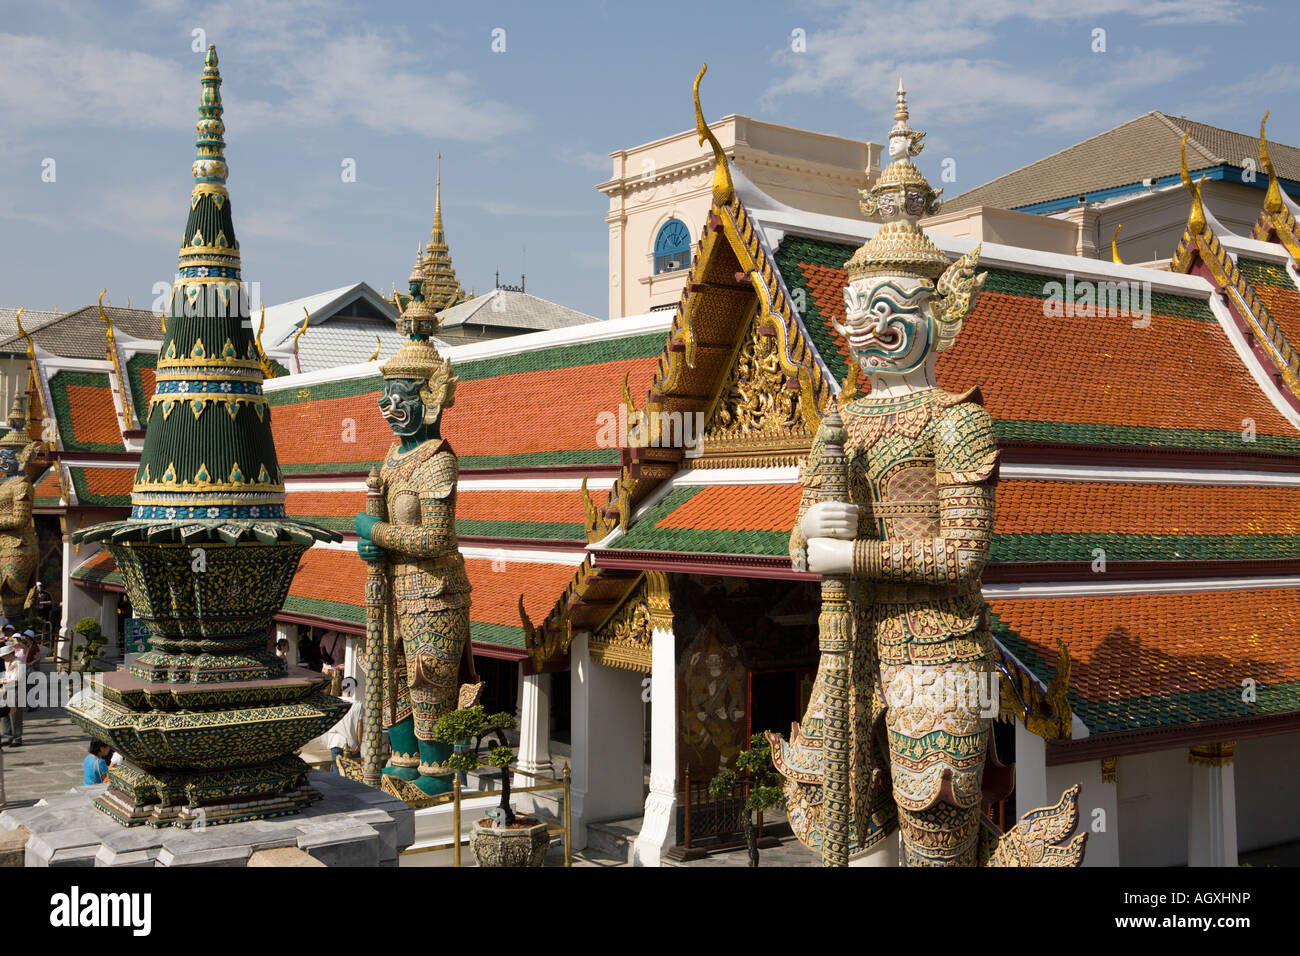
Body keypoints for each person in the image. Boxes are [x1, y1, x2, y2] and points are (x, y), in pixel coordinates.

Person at [322, 686, 362, 772]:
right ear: (353, 689)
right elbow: (360, 726)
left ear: (341, 688)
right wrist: (359, 743)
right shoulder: (358, 705)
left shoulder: (333, 703)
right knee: (355, 773)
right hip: (351, 744)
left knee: (338, 774)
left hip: (335, 742)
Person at [0, 643, 20, 747]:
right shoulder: (10, 663)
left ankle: (17, 738)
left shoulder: (18, 663)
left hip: (16, 690)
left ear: (10, 654)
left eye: (4, 656)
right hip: (8, 689)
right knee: (5, 714)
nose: (3, 658)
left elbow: (16, 680)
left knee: (14, 715)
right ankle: (7, 736)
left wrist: (4, 681)